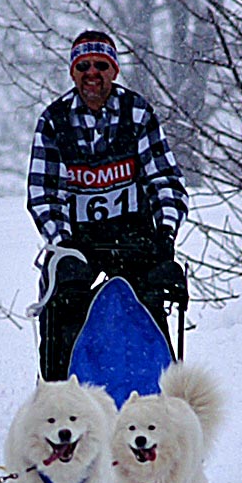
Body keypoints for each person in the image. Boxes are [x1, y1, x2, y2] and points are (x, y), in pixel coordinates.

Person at [26, 29, 189, 381]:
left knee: (148, 306)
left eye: (101, 65)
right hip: (77, 240)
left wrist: (165, 236)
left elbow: (165, 181)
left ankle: (159, 394)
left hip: (133, 232)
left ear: (114, 70)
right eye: (83, 65)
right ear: (72, 72)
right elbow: (43, 193)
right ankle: (61, 396)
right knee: (62, 309)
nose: (92, 73)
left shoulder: (138, 114)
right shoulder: (54, 121)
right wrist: (63, 244)